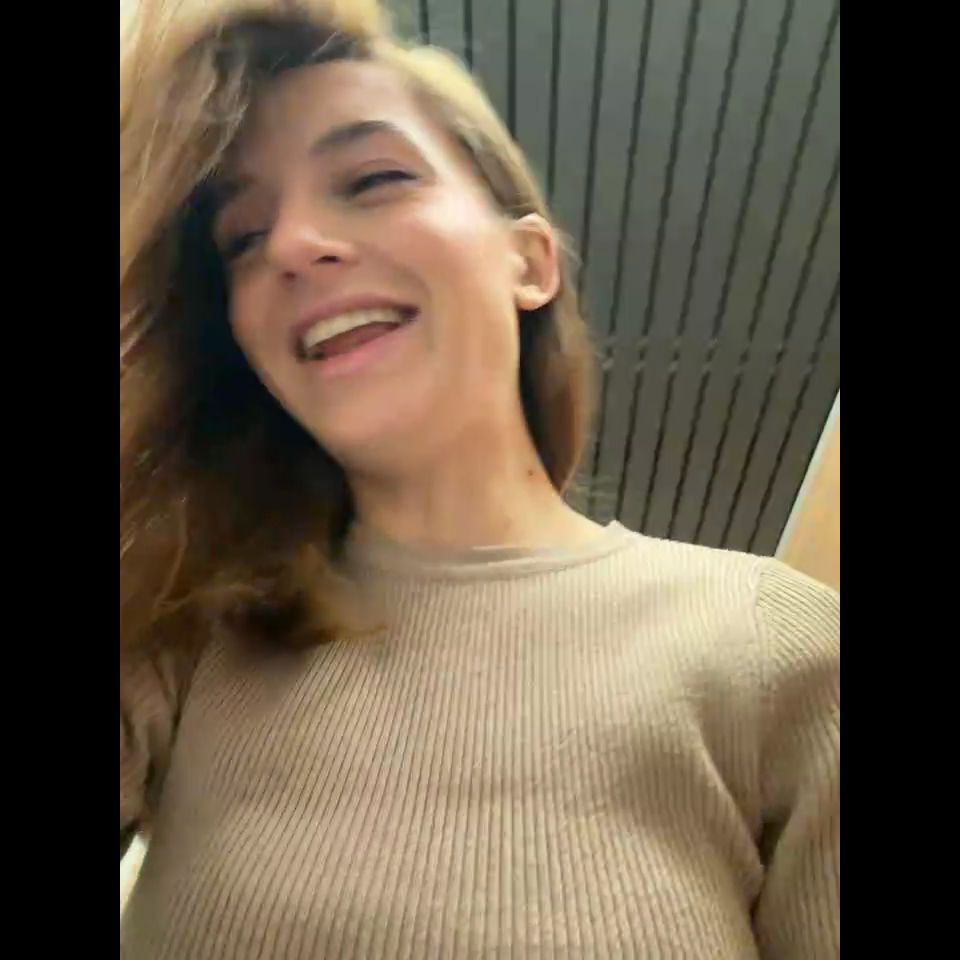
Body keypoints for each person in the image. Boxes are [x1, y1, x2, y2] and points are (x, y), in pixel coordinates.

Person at [119, 1, 840, 957]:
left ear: (528, 261)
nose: (291, 244)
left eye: (373, 179)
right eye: (242, 237)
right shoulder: (186, 628)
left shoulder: (778, 648)